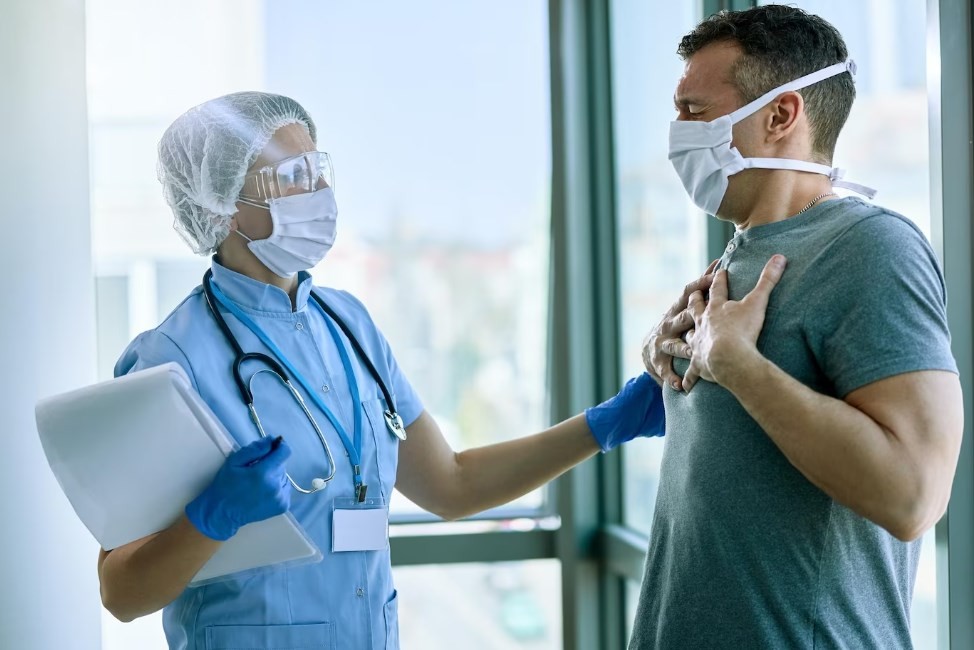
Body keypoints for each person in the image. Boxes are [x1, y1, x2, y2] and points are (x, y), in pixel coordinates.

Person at [95, 91, 664, 650]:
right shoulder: (170, 359)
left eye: (319, 171)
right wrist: (210, 518)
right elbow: (121, 592)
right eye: (292, 177)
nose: (318, 193)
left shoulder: (348, 324)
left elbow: (453, 485)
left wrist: (604, 425)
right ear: (220, 207)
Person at [632, 6, 963, 649]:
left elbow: (914, 495)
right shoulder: (739, 250)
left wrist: (741, 369)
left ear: (781, 115)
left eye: (695, 112)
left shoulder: (872, 247)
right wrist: (668, 362)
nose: (677, 134)